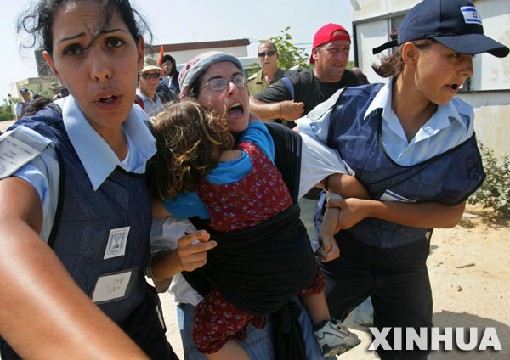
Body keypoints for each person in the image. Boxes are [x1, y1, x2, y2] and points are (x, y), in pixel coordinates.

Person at [295, 0, 509, 359]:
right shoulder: (349, 107)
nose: (468, 69)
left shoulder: (458, 126)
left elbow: (449, 215)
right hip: (339, 259)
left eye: (472, 58)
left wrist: (369, 208)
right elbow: (296, 145)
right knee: (302, 342)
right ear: (410, 53)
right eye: (455, 54)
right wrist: (338, 181)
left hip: (406, 265)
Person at [147, 51, 370, 360]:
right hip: (289, 275)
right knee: (310, 273)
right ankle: (325, 325)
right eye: (217, 83)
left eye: (239, 80)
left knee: (207, 337)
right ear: (193, 100)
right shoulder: (259, 151)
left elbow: (152, 210)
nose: (233, 88)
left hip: (255, 305)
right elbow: (156, 268)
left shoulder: (195, 188)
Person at [0, 0, 182, 358]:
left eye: (113, 42)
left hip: (139, 324)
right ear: (53, 66)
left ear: (139, 50)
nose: (99, 70)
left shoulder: (146, 137)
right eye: (74, 50)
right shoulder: (39, 148)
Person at [250, 23, 368, 124]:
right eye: (333, 50)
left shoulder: (356, 80)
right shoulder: (298, 84)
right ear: (315, 53)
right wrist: (280, 110)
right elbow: (250, 107)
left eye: (345, 49)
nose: (341, 57)